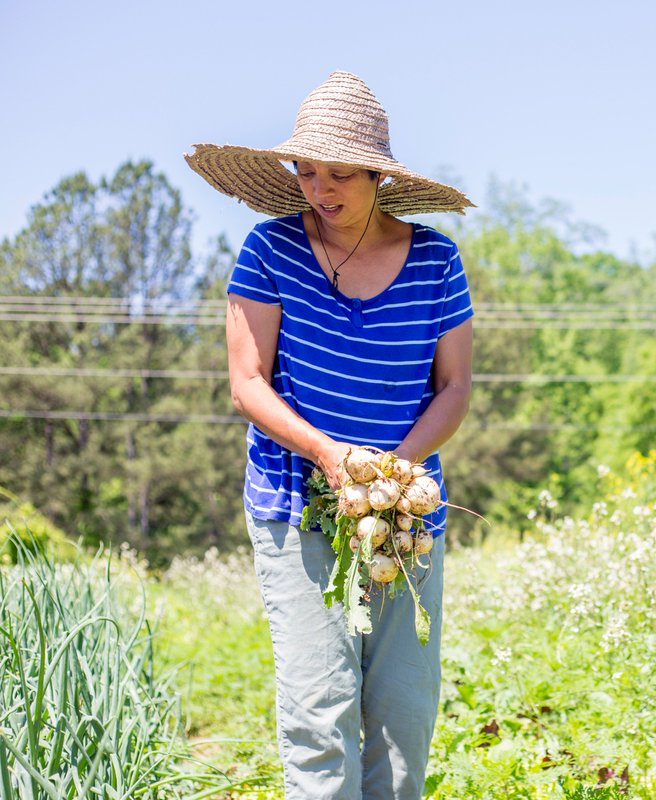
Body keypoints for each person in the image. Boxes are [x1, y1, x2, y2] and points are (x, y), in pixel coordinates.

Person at [185, 70, 474, 799]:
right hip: (297, 506)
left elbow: (454, 387)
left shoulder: (437, 261)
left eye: (340, 172)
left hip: (405, 518)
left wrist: (394, 474)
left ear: (379, 172)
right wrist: (328, 454)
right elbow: (248, 379)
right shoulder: (270, 249)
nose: (320, 187)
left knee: (402, 719)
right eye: (306, 170)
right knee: (320, 714)